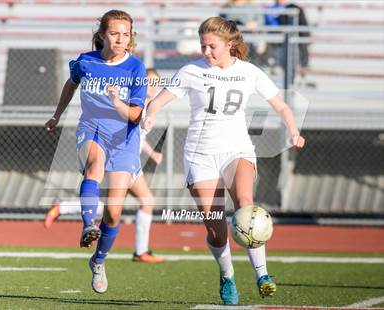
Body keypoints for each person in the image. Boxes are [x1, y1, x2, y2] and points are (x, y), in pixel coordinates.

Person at [143, 16, 305, 305]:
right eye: (203, 46)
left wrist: (293, 130)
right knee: (215, 227)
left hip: (236, 149)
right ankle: (227, 275)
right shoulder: (191, 70)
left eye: (212, 46)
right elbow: (160, 99)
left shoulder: (249, 72)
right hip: (200, 155)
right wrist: (151, 113)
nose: (206, 52)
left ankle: (262, 274)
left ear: (230, 44)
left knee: (246, 205)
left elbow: (281, 105)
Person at [45, 10, 148, 294]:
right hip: (91, 128)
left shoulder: (136, 68)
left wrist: (117, 103)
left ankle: (98, 261)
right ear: (102, 34)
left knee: (114, 213)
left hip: (124, 138)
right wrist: (57, 115)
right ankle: (88, 224)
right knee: (95, 167)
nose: (120, 39)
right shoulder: (85, 62)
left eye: (125, 34)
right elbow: (71, 83)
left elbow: (135, 115)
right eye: (114, 33)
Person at [44, 69, 165, 264]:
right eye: (149, 82)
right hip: (121, 156)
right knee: (138, 202)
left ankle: (64, 208)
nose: (153, 87)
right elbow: (127, 127)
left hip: (129, 158)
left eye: (156, 83)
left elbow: (139, 137)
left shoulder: (151, 105)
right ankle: (138, 251)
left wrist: (151, 153)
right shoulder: (136, 100)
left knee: (120, 205)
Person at [220, 0, 269, 67]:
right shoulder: (227, 6)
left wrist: (255, 24)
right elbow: (221, 22)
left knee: (250, 59)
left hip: (249, 39)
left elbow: (260, 22)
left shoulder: (253, 7)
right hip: (232, 38)